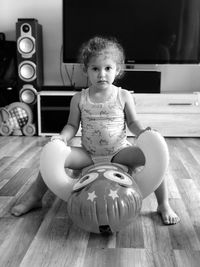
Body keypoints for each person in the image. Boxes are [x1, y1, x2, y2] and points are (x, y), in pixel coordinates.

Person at [11, 36, 180, 225]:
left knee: (156, 156)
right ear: (86, 70)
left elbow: (133, 122)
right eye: (95, 69)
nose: (102, 74)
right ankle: (34, 197)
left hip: (119, 152)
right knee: (50, 158)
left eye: (108, 68)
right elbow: (72, 125)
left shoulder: (123, 95)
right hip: (88, 154)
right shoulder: (79, 98)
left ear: (117, 69)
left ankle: (163, 203)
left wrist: (143, 132)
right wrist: (62, 138)